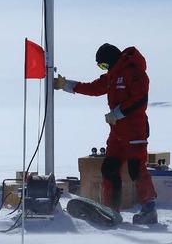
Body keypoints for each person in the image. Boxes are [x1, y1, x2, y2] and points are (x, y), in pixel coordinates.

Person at [55, 43, 159, 224]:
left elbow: (140, 99)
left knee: (136, 170)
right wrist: (67, 85)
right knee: (109, 169)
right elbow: (94, 88)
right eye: (101, 67)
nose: (104, 69)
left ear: (111, 59)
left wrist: (117, 113)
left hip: (135, 130)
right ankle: (111, 210)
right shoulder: (113, 75)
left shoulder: (134, 71)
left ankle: (149, 209)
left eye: (103, 65)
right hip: (117, 132)